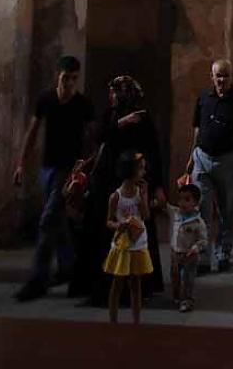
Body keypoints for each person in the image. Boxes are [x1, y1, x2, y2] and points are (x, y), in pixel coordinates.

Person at [68, 75, 165, 304]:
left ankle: (135, 288)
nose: (111, 97)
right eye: (111, 92)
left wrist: (155, 185)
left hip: (132, 182)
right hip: (105, 185)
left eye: (115, 92)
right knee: (103, 234)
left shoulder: (142, 118)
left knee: (134, 234)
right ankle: (101, 286)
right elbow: (98, 135)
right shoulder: (111, 115)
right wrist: (121, 123)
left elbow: (152, 152)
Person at [13, 55, 94, 302]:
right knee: (58, 223)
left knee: (48, 220)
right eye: (65, 78)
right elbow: (32, 131)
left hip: (67, 171)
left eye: (73, 79)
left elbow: (93, 138)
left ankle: (38, 280)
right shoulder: (46, 99)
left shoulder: (82, 104)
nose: (69, 83)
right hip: (47, 168)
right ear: (57, 76)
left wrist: (85, 167)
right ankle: (69, 268)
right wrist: (21, 164)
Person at [188, 59, 233, 272]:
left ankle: (223, 252)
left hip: (229, 160)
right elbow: (198, 130)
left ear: (231, 77)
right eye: (218, 75)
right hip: (202, 158)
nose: (222, 80)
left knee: (228, 209)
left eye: (225, 75)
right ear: (212, 77)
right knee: (202, 209)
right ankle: (202, 257)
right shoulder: (203, 99)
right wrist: (191, 157)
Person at [103, 151, 153, 324]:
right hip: (123, 242)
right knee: (117, 283)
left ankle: (136, 320)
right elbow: (108, 221)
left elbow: (146, 215)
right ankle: (113, 320)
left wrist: (145, 195)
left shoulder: (139, 193)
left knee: (136, 283)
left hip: (138, 241)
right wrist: (118, 225)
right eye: (140, 168)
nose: (143, 172)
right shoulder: (116, 196)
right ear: (129, 170)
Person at [164, 183, 208, 313]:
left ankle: (187, 300)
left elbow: (203, 240)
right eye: (180, 199)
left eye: (187, 199)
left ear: (196, 203)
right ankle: (177, 296)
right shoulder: (175, 213)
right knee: (175, 275)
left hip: (190, 255)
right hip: (175, 253)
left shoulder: (198, 222)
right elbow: (164, 206)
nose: (182, 203)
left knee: (188, 278)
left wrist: (195, 248)